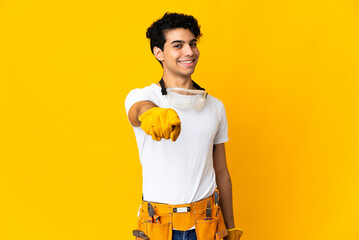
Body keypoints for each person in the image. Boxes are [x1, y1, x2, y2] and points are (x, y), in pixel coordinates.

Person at [125, 12, 243, 240]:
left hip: (207, 225)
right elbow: (138, 111)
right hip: (160, 226)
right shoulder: (144, 96)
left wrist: (230, 227)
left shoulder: (215, 107)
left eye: (192, 44)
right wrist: (151, 113)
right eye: (177, 45)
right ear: (158, 53)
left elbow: (222, 172)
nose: (189, 52)